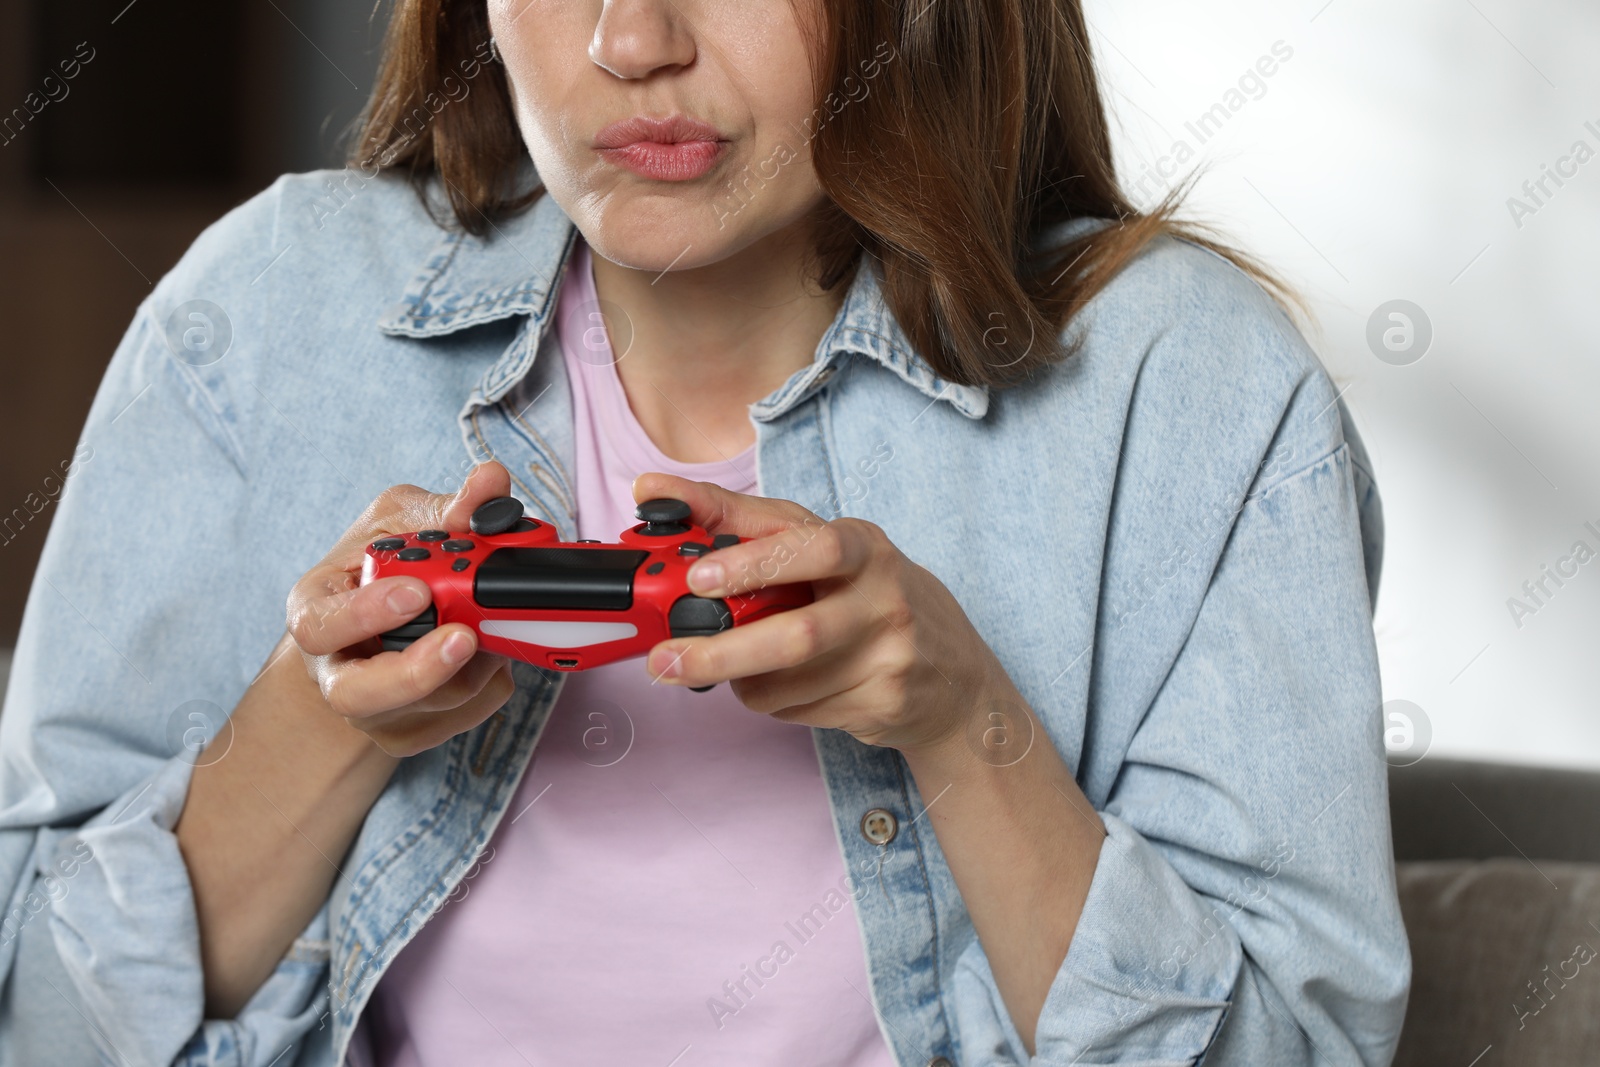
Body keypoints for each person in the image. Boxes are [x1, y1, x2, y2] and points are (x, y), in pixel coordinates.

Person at [0, 0, 1409, 1064]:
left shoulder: (1189, 388)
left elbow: (1296, 1045)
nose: (632, 40)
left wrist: (966, 722)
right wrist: (324, 725)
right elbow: (37, 1025)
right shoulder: (266, 312)